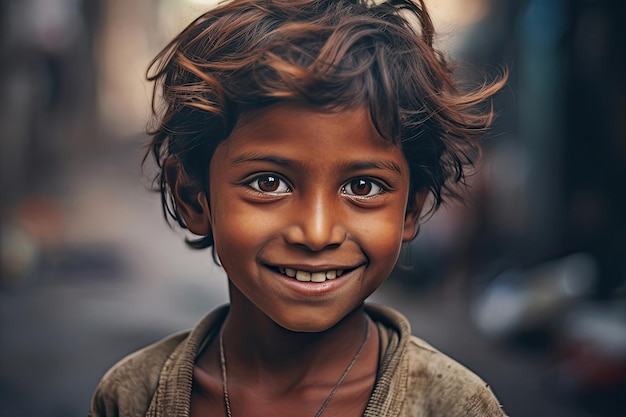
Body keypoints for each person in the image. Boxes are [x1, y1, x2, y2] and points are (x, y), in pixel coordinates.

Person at [89, 0, 508, 416]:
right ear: (192, 197)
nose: (316, 233)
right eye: (268, 183)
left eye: (363, 186)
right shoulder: (131, 398)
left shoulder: (456, 407)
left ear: (410, 211)